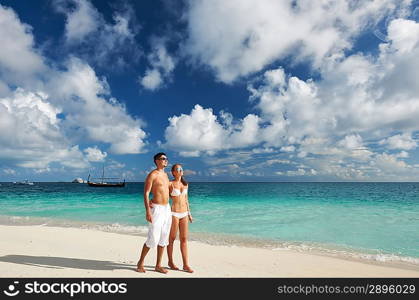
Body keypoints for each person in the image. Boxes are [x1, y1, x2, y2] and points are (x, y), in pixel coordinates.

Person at [136, 152, 172, 274]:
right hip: (156, 209)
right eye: (163, 159)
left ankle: (158, 265)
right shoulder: (153, 174)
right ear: (157, 161)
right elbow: (146, 193)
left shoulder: (166, 175)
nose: (166, 160)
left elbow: (168, 192)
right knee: (153, 238)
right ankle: (140, 262)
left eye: (166, 159)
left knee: (164, 237)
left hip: (167, 208)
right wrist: (147, 211)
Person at [167, 163, 194, 273]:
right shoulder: (170, 184)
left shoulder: (185, 184)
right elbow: (164, 197)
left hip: (184, 214)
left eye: (181, 169)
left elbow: (186, 200)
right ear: (173, 172)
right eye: (178, 169)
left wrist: (189, 213)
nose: (180, 170)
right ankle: (170, 261)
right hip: (174, 213)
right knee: (172, 239)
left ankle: (186, 265)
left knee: (184, 239)